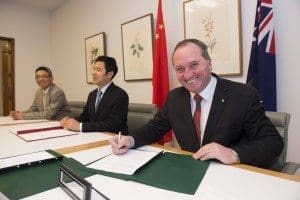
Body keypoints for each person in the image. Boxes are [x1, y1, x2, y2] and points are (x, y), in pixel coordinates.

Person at [109, 39, 283, 168]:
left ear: (209, 63)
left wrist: (234, 153)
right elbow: (154, 128)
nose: (188, 74)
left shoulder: (242, 95)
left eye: (194, 65)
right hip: (192, 173)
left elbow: (273, 142)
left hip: (231, 176)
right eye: (180, 69)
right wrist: (130, 140)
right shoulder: (174, 98)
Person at [60, 56, 129, 134]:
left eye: (98, 69)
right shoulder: (92, 94)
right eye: (94, 69)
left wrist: (80, 126)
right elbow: (85, 117)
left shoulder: (120, 95)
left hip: (114, 139)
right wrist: (69, 120)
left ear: (109, 74)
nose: (93, 73)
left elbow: (113, 124)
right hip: (94, 136)